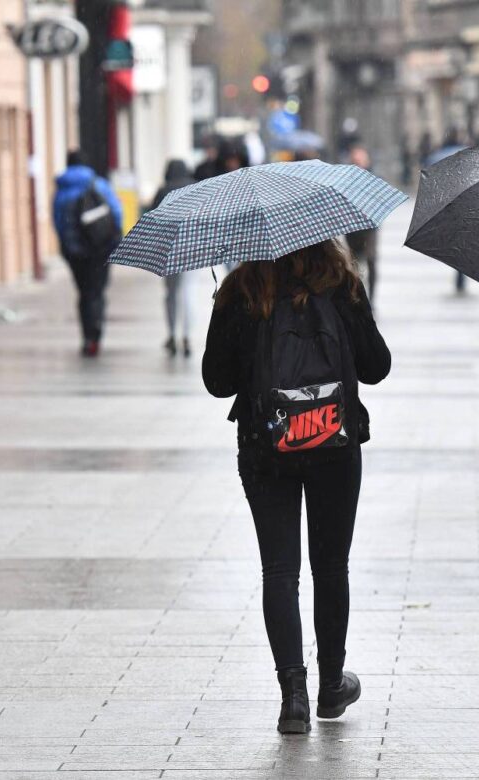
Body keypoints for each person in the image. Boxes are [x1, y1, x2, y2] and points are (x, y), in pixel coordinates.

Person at [202, 238, 390, 735]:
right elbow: (377, 367)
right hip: (334, 442)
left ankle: (293, 698)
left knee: (280, 570)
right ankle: (331, 684)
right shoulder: (341, 284)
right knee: (331, 566)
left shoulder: (241, 289)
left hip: (265, 449)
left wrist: (226, 313)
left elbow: (216, 382)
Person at [52, 150, 124, 357]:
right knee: (98, 291)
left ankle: (87, 336)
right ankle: (96, 332)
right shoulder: (98, 184)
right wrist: (116, 236)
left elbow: (58, 222)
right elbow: (116, 212)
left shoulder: (61, 190)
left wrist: (68, 244)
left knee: (84, 293)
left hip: (75, 252)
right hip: (100, 247)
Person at [149, 160, 196, 357]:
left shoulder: (164, 191)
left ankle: (171, 334)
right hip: (193, 247)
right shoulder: (196, 189)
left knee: (171, 293)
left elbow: (152, 218)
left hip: (169, 248)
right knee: (188, 292)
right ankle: (187, 336)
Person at [344, 146, 380, 308]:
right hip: (352, 228)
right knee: (354, 264)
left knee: (371, 259)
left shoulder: (372, 178)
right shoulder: (346, 179)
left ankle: (371, 299)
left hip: (369, 227)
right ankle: (357, 296)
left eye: (361, 159)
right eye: (355, 159)